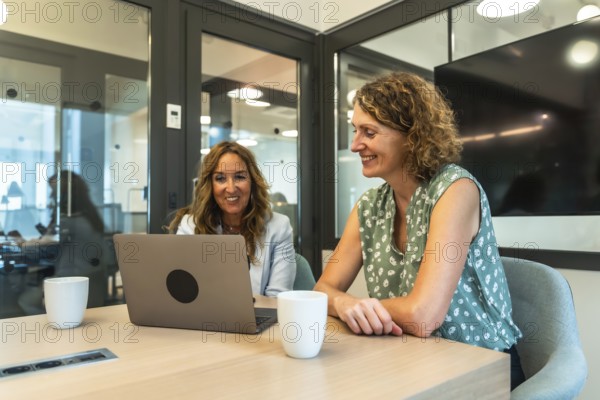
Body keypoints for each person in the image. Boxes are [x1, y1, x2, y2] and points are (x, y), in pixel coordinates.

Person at [314, 72, 524, 390]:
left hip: (479, 366)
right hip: (410, 360)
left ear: (412, 136)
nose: (355, 145)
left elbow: (423, 316)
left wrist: (364, 308)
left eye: (368, 132)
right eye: (355, 131)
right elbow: (322, 291)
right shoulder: (369, 206)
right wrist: (347, 305)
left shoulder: (455, 190)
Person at [167, 141, 296, 297]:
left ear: (253, 182)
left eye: (240, 177)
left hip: (257, 319)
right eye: (220, 178)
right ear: (210, 185)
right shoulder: (190, 226)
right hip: (201, 318)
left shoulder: (279, 227)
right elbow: (182, 290)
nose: (231, 188)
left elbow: (277, 298)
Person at [18, 171, 109, 314]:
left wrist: (21, 244)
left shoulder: (68, 221)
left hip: (70, 284)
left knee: (25, 301)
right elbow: (50, 242)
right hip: (92, 283)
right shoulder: (89, 218)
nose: (50, 196)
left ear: (64, 195)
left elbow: (36, 249)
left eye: (53, 192)